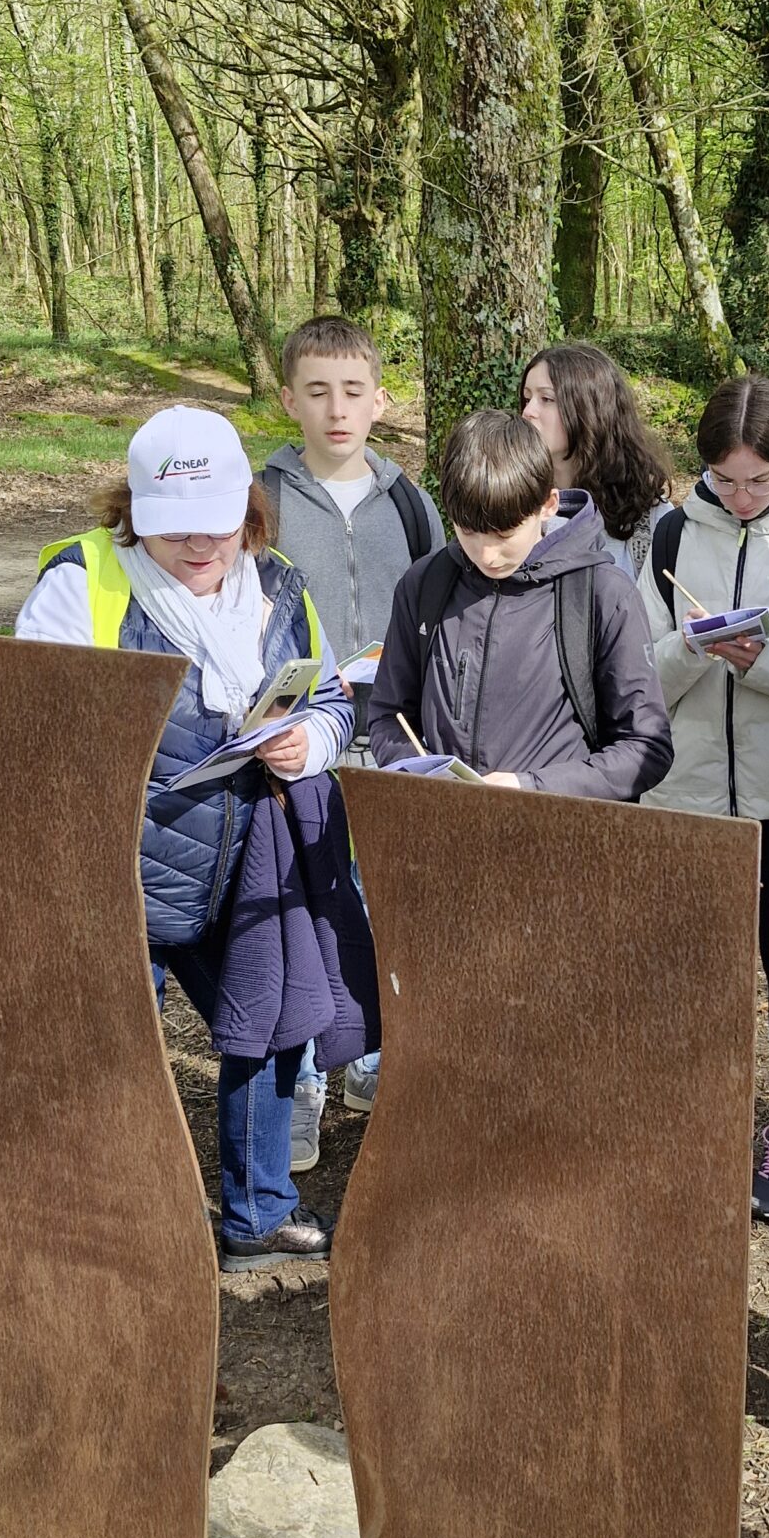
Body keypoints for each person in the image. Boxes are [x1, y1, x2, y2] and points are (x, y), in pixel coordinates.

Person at [16, 406, 370, 1272]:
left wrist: (307, 743)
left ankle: (258, 1215)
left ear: (247, 509)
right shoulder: (83, 583)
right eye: (175, 529)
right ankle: (111, 1225)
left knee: (269, 1026)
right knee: (110, 1055)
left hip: (246, 859)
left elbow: (330, 698)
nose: (201, 545)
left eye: (218, 523)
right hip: (118, 870)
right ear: (135, 513)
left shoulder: (277, 586)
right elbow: (30, 724)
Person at [639, 374, 769, 1218]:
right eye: (725, 479)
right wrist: (693, 648)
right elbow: (640, 676)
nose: (742, 497)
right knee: (685, 965)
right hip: (683, 792)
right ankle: (691, 1120)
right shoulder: (673, 533)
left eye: (760, 479)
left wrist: (764, 660)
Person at [259, 314, 443, 1159]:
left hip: (391, 739)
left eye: (353, 392)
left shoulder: (409, 502)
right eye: (318, 392)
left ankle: (369, 1058)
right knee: (301, 906)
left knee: (380, 901)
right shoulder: (261, 500)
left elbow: (440, 608)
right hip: (297, 743)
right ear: (288, 399)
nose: (337, 410)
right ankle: (301, 1080)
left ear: (380, 401)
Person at [369, 409, 673, 799]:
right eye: (469, 532)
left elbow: (647, 746)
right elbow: (388, 716)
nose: (487, 554)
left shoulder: (604, 594)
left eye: (504, 534)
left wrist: (529, 787)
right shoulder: (425, 583)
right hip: (443, 824)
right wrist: (422, 774)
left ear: (548, 504)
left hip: (558, 829)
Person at [519, 341, 674, 579]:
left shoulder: (648, 517)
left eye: (546, 399)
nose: (528, 411)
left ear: (590, 410)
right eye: (527, 398)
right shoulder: (516, 499)